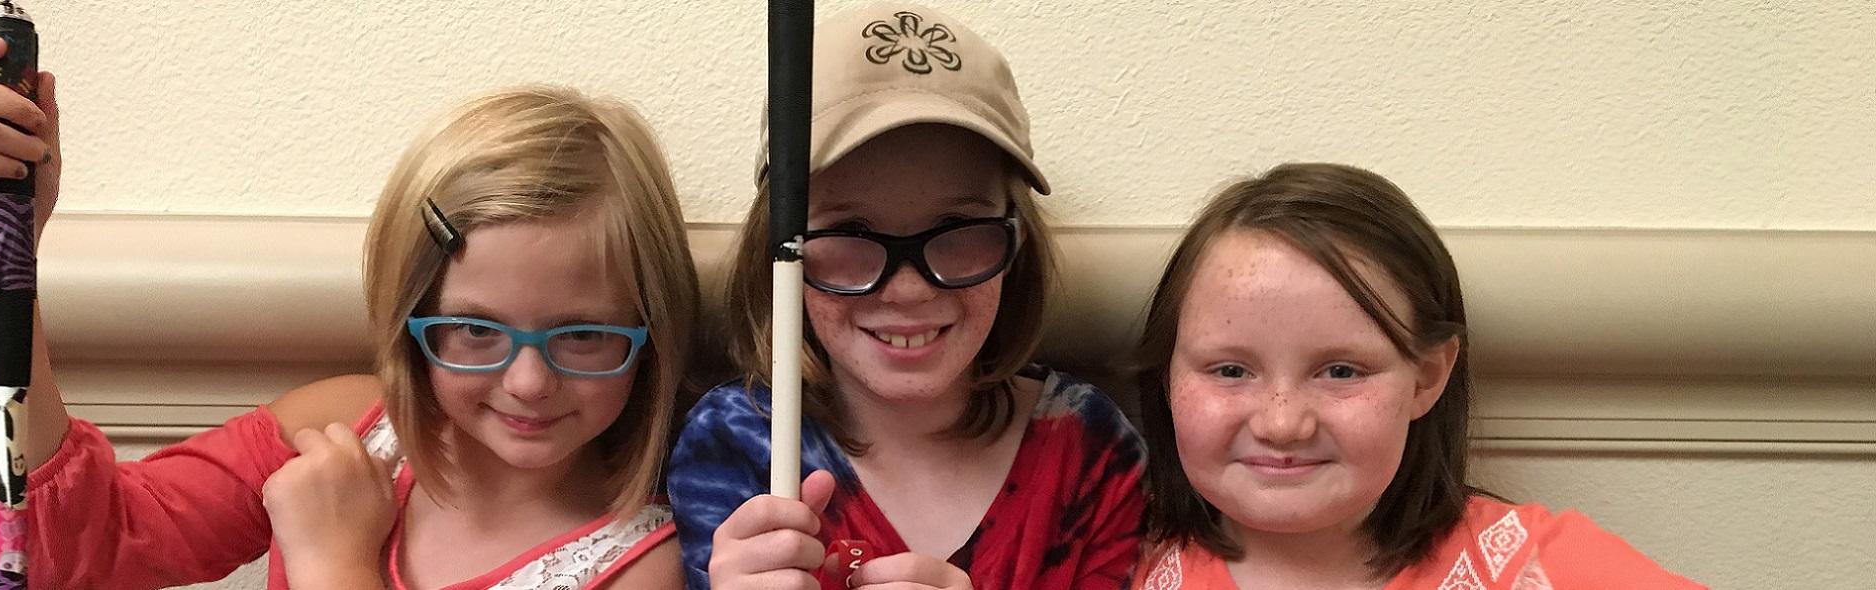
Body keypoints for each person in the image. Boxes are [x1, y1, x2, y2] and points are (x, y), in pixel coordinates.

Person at [0, 35, 699, 588]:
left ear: (651, 331)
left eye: (587, 334)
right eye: (474, 330)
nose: (530, 382)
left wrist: (333, 562)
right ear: (412, 316)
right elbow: (66, 549)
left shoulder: (644, 565)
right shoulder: (345, 430)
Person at [667, 4, 1145, 590]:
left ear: (1015, 238)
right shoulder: (738, 444)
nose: (909, 287)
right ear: (783, 252)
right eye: (851, 235)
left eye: (959, 229)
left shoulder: (1088, 449)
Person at [1130, 163, 1702, 589]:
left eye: (1340, 370)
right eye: (1230, 370)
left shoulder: (1532, 569)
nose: (1283, 422)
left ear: (1427, 378)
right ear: (1168, 379)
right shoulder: (1106, 563)